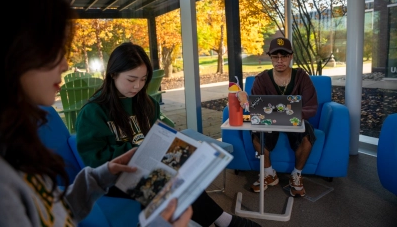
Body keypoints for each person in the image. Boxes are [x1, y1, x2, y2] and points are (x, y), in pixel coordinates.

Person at [0, 0, 192, 226]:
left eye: (142, 80)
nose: (66, 64)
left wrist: (101, 176)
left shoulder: (16, 140)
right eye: (52, 50)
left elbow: (53, 211)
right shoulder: (3, 181)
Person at [75, 42, 261, 227]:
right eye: (131, 79)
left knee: (185, 170)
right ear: (113, 74)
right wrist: (138, 151)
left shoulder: (147, 104)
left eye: (143, 79)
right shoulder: (93, 112)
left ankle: (221, 220)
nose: (138, 86)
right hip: (116, 179)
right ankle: (224, 220)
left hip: (150, 166)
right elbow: (94, 160)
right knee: (170, 182)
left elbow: (160, 135)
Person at [249, 37, 318, 197]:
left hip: (296, 121)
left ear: (291, 56)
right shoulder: (261, 79)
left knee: (307, 136)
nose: (280, 61)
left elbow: (311, 106)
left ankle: (296, 174)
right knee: (256, 134)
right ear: (271, 57)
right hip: (269, 122)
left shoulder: (301, 77)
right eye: (275, 57)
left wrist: (294, 115)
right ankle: (269, 173)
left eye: (284, 56)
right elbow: (256, 108)